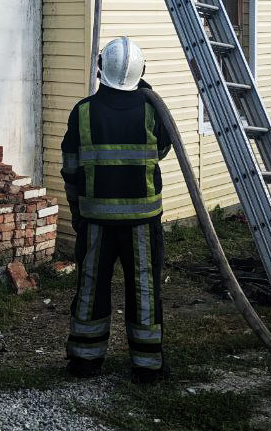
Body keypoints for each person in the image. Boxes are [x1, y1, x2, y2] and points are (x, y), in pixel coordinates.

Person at [60, 37, 172, 383]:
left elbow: (71, 167)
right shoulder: (153, 110)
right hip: (142, 222)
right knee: (144, 288)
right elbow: (162, 149)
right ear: (141, 71)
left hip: (95, 221)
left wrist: (77, 211)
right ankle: (147, 365)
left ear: (100, 68)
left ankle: (85, 360)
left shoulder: (83, 112)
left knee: (91, 286)